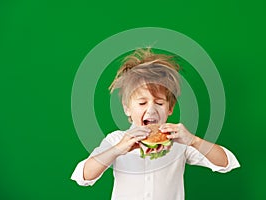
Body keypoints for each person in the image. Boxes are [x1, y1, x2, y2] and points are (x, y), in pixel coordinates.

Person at [71, 48, 240, 200]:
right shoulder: (117, 139)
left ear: (170, 108)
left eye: (159, 103)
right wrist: (116, 150)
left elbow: (225, 163)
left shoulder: (179, 141)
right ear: (127, 108)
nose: (151, 111)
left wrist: (193, 140)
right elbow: (83, 176)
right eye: (142, 103)